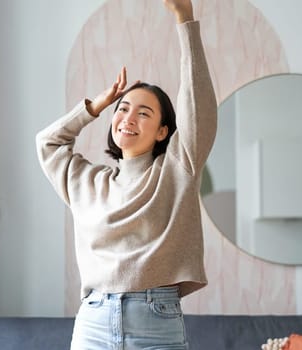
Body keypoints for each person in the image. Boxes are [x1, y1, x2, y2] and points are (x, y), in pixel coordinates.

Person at [35, 0, 216, 348]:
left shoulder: (177, 169)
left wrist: (185, 20)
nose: (128, 118)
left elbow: (200, 108)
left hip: (155, 319)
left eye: (144, 113)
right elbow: (48, 144)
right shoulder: (88, 183)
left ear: (163, 131)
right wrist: (94, 107)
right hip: (93, 321)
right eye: (123, 109)